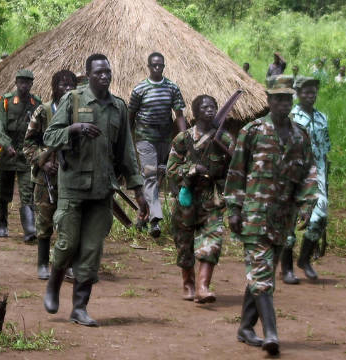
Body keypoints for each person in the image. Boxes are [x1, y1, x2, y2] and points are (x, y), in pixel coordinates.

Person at [42, 54, 148, 326]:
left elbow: (127, 152)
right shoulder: (73, 100)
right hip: (73, 187)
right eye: (99, 72)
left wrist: (138, 190)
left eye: (108, 72)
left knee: (91, 250)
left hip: (102, 190)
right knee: (67, 244)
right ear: (88, 74)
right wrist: (74, 129)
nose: (105, 76)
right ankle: (53, 284)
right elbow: (49, 137)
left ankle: (80, 307)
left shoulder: (118, 108)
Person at [224, 76, 319, 355]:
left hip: (283, 219)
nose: (283, 103)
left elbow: (309, 173)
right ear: (268, 100)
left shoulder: (300, 135)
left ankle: (244, 327)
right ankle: (271, 334)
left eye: (287, 98)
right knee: (263, 276)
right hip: (254, 216)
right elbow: (237, 172)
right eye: (278, 98)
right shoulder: (252, 131)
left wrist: (307, 203)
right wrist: (234, 209)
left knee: (259, 274)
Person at [166, 95, 234, 303]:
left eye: (213, 107)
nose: (210, 110)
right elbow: (171, 170)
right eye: (204, 107)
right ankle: (188, 283)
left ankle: (203, 287)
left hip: (210, 200)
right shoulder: (183, 139)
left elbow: (233, 170)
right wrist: (193, 169)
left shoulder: (224, 140)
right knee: (184, 246)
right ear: (195, 113)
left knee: (212, 242)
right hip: (185, 201)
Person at [23, 70, 77, 280]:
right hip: (47, 178)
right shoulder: (43, 111)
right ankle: (43, 264)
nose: (67, 89)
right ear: (54, 87)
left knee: (70, 221)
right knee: (44, 221)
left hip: (71, 176)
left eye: (71, 85)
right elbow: (28, 144)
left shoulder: (79, 112)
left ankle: (67, 265)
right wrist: (43, 163)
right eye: (63, 85)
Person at [128, 52, 187, 237]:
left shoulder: (172, 88)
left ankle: (142, 218)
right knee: (151, 176)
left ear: (163, 66)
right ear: (148, 66)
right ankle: (155, 220)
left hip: (164, 137)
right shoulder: (140, 89)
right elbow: (130, 116)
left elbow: (179, 115)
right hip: (145, 137)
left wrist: (185, 136)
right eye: (154, 65)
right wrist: (127, 141)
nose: (157, 68)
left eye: (160, 65)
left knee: (160, 174)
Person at [280, 77, 330, 284]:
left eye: (313, 91)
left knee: (319, 217)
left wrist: (326, 179)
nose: (310, 95)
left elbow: (325, 151)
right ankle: (287, 269)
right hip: (293, 173)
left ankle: (304, 260)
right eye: (306, 92)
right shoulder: (290, 117)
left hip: (317, 173)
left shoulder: (321, 118)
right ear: (297, 94)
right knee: (289, 222)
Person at [0, 69, 42, 242]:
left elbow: (40, 128)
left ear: (31, 84)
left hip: (26, 155)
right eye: (21, 82)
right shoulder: (5, 101)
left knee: (27, 191)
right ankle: (2, 223)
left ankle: (29, 230)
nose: (24, 85)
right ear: (16, 82)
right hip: (7, 154)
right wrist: (6, 145)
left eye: (27, 82)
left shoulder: (36, 103)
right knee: (3, 192)